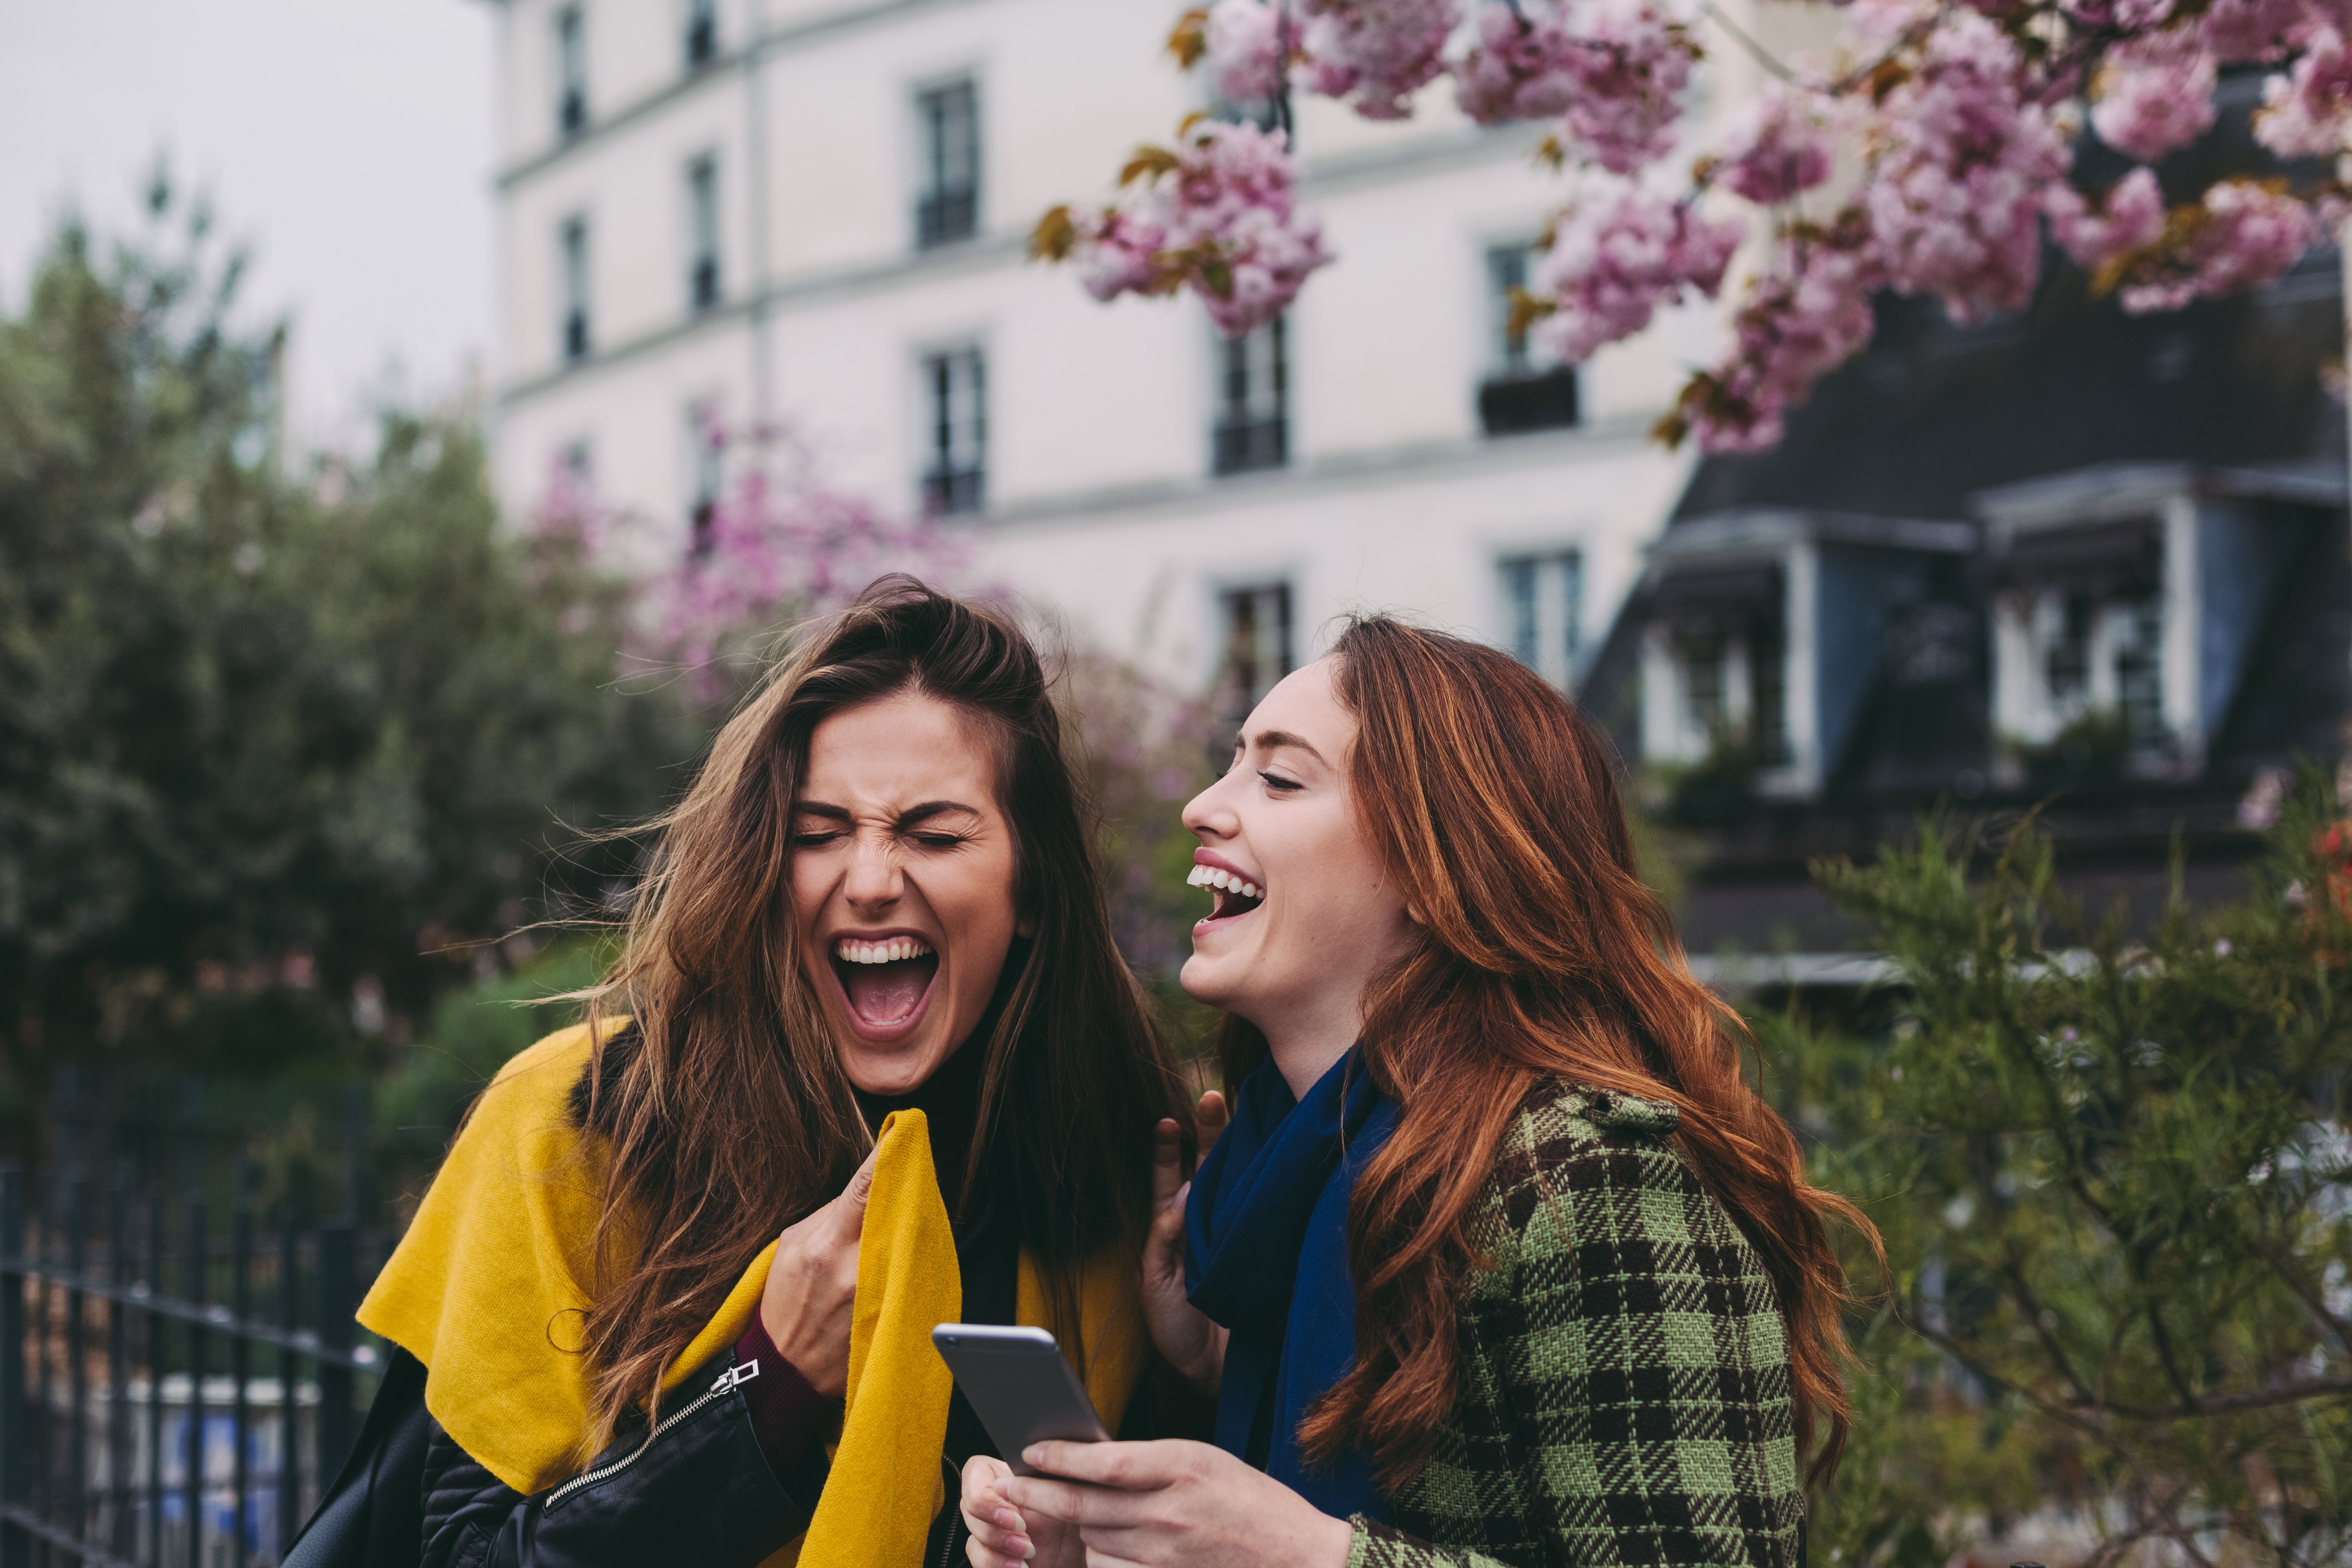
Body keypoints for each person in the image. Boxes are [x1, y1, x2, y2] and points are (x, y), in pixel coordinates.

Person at [288, 579, 1192, 1568]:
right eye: (817, 835)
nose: (871, 879)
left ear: (1032, 890)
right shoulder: (579, 1123)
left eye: (933, 835)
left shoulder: (1099, 1176)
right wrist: (765, 1388)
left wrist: (1200, 1373)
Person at [960, 614, 1875, 1568]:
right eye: (1230, 763)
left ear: (1439, 864)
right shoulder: (1271, 1191)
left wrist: (1311, 1557)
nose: (1199, 805)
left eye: (1277, 777)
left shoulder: (1595, 1183)